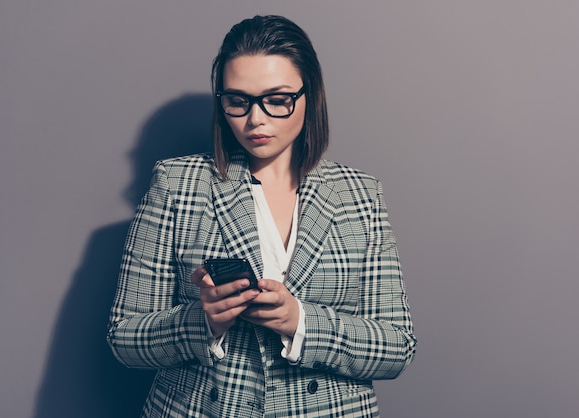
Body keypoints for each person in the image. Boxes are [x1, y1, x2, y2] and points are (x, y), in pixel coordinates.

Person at [107, 15, 416, 418]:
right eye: (238, 101)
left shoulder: (359, 195)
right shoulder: (177, 184)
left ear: (310, 96)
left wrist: (300, 321)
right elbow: (124, 338)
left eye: (277, 99)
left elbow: (397, 345)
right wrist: (202, 322)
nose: (255, 119)